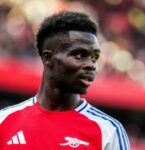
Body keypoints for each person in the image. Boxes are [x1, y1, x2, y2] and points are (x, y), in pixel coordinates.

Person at [0, 11, 130, 150]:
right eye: (79, 55)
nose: (91, 65)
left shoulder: (109, 131)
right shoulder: (4, 121)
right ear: (48, 58)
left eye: (94, 57)